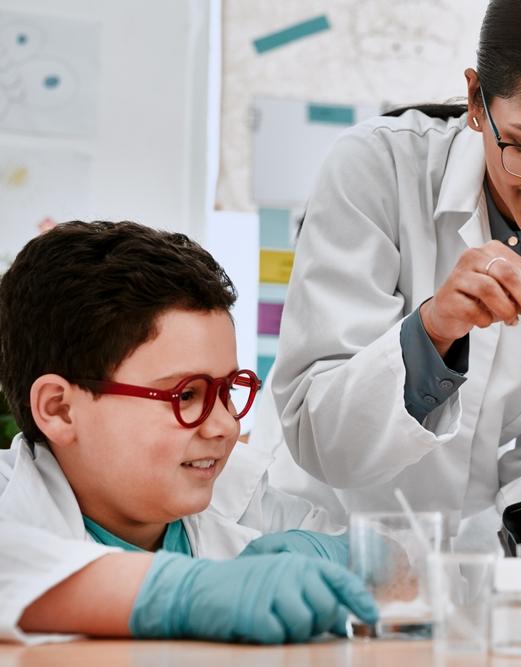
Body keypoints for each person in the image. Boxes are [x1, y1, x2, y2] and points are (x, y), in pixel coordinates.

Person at [252, 0, 521, 549]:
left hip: (475, 564)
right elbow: (322, 434)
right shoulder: (377, 170)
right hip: (321, 539)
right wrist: (436, 329)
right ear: (477, 101)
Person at [0, 221, 377, 643]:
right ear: (61, 410)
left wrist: (349, 558)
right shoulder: (10, 501)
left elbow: (408, 569)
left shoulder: (243, 497)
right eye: (184, 395)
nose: (225, 425)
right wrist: (184, 591)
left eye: (228, 390)